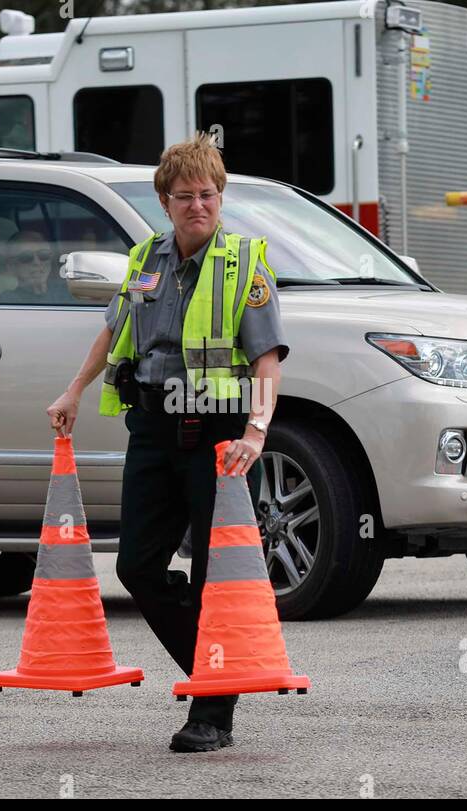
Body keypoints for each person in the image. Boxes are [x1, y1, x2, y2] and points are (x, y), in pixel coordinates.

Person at [45, 132, 288, 753]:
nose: (197, 206)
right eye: (185, 196)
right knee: (136, 568)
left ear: (220, 196)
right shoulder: (145, 260)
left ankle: (211, 712)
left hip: (220, 436)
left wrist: (256, 432)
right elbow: (112, 332)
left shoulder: (242, 264)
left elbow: (266, 361)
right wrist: (73, 390)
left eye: (208, 195)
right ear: (164, 199)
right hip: (153, 431)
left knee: (215, 577)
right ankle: (219, 674)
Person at [5, 229, 65, 304]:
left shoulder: (65, 293)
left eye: (44, 255)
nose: (37, 262)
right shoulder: (8, 301)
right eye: (26, 257)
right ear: (11, 266)